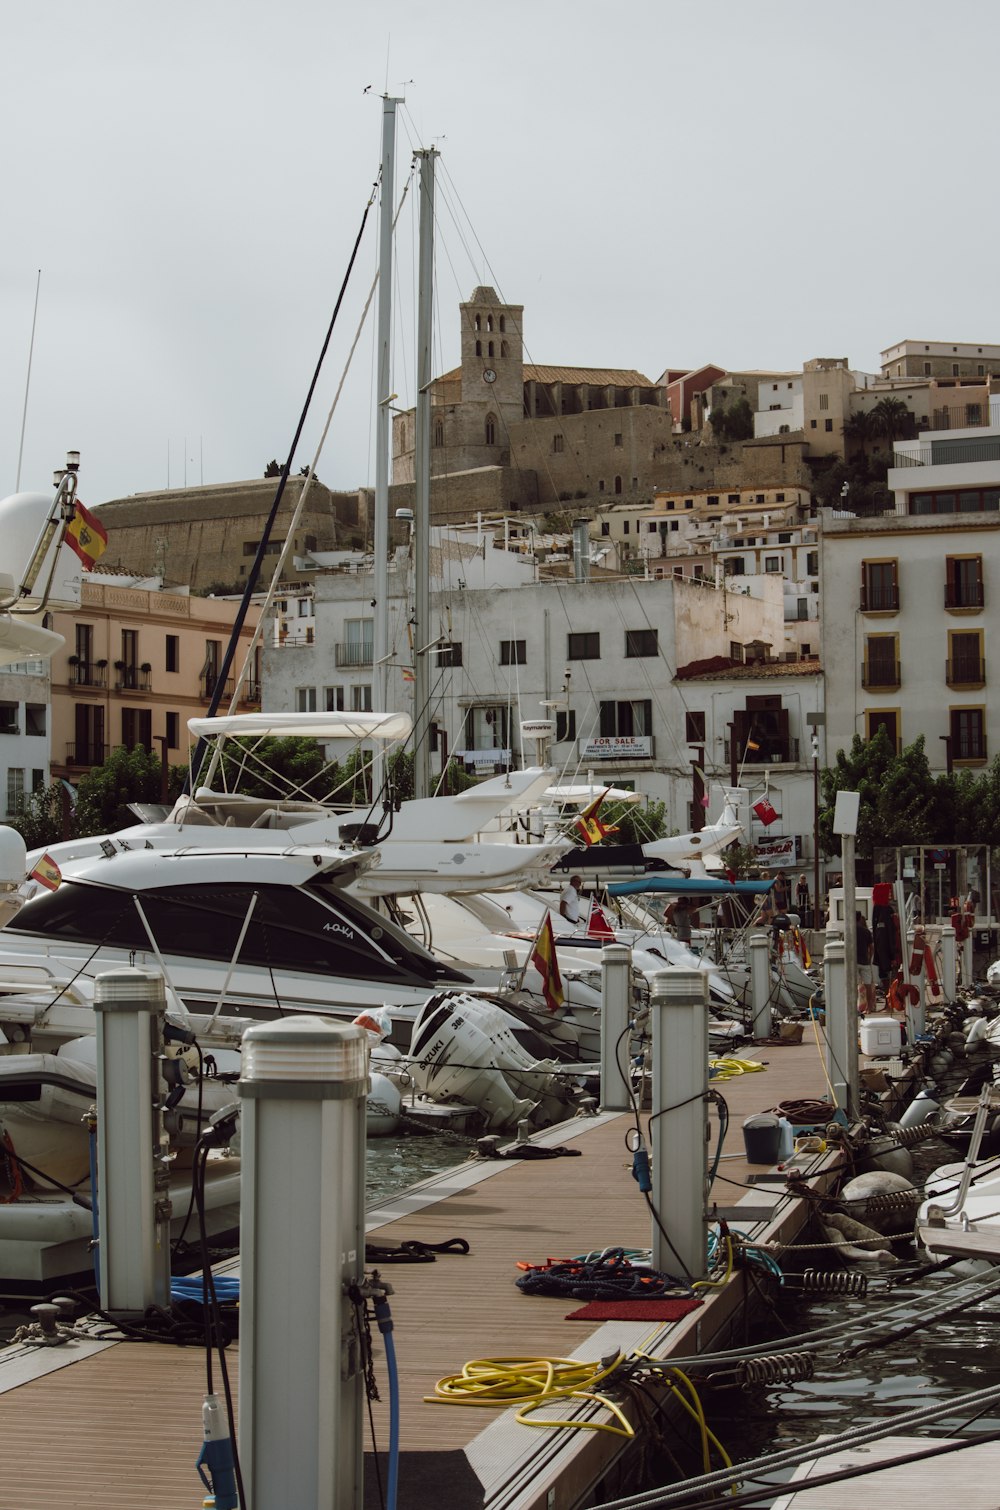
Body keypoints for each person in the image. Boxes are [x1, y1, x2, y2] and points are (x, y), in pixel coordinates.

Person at [856, 910, 877, 1014]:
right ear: (860, 918)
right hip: (864, 961)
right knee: (868, 985)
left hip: (853, 962)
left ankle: (854, 1007)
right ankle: (868, 1007)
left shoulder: (849, 931)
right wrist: (869, 959)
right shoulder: (866, 931)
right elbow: (871, 947)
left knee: (853, 985)